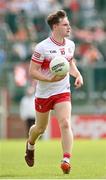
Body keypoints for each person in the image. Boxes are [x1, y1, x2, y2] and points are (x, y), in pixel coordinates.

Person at [25, 10, 83, 174]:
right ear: (55, 26)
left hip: (62, 91)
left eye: (68, 24)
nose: (69, 27)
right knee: (40, 129)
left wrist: (77, 75)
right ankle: (30, 144)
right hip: (44, 93)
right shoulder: (42, 47)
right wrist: (50, 79)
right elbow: (32, 71)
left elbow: (70, 64)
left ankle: (66, 160)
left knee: (65, 123)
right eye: (65, 24)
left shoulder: (70, 45)